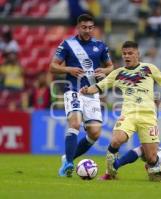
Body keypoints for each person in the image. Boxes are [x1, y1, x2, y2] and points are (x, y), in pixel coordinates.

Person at [80, 41, 161, 179]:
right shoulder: (117, 73)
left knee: (152, 159)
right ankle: (110, 173)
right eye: (124, 54)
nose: (127, 56)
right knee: (116, 140)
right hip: (128, 115)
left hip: (148, 117)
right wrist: (87, 90)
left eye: (130, 53)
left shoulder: (149, 68)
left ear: (138, 54)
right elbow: (99, 87)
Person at [49, 13, 114, 177]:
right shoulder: (68, 44)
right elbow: (53, 67)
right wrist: (68, 69)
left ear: (94, 28)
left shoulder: (100, 46)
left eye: (90, 27)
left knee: (95, 133)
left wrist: (104, 71)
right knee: (75, 123)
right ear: (78, 27)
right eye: (84, 27)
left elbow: (110, 67)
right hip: (74, 90)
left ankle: (67, 157)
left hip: (92, 93)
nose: (87, 30)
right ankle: (68, 166)